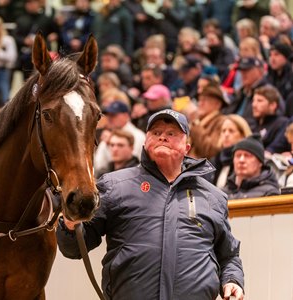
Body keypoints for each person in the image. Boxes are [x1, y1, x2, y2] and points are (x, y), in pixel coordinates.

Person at [57, 109, 245, 299]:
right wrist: (70, 224)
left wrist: (232, 280)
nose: (163, 137)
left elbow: (228, 255)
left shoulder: (212, 196)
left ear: (187, 148)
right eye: (156, 133)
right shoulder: (114, 186)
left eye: (171, 133)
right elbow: (74, 248)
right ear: (146, 142)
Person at [208, 114, 253, 189]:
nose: (226, 134)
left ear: (243, 135)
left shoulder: (247, 160)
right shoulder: (215, 161)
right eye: (223, 131)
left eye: (231, 131)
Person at [188, 83, 228, 159]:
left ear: (217, 104)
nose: (200, 103)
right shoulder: (199, 121)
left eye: (205, 100)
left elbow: (211, 151)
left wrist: (196, 124)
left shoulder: (222, 122)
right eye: (199, 100)